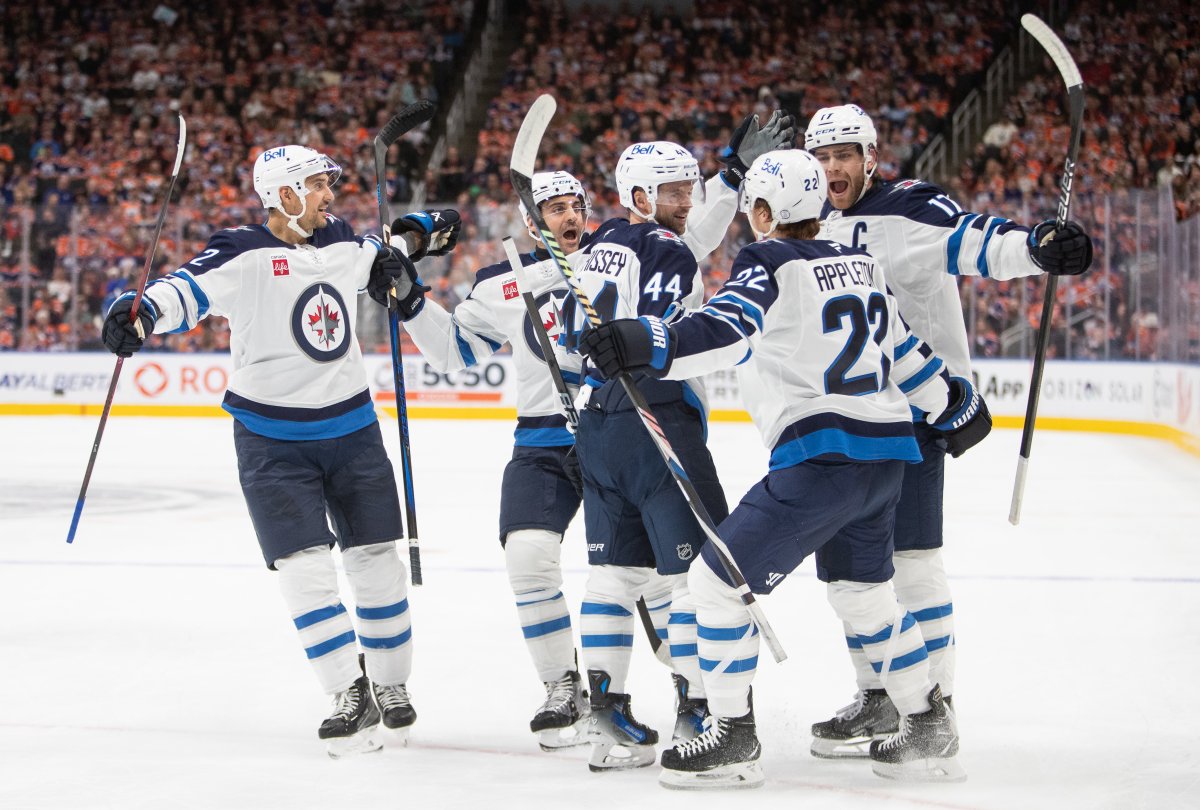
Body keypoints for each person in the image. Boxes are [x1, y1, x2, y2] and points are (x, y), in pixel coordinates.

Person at [577, 149, 992, 788]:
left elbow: (726, 331)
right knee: (866, 595)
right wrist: (953, 404)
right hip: (887, 461)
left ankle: (732, 740)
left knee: (715, 583)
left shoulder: (766, 262)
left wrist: (646, 341)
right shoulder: (861, 264)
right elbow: (904, 353)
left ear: (765, 212)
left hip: (820, 461)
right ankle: (928, 721)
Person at [100, 144, 459, 758]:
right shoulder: (240, 252)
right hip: (271, 441)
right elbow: (181, 291)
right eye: (318, 185)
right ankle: (349, 691)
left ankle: (391, 685)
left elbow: (393, 250)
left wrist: (421, 233)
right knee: (304, 569)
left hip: (352, 430)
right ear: (284, 194)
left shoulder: (342, 239)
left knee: (376, 559)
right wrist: (134, 313)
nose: (329, 195)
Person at [802, 104, 1094, 759]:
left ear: (870, 157)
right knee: (852, 577)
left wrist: (1038, 247)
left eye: (843, 154)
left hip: (912, 414)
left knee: (910, 565)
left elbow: (976, 240)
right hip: (840, 420)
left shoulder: (911, 207)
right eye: (820, 157)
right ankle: (879, 698)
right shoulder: (810, 222)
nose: (831, 168)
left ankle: (933, 706)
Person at [558, 113, 794, 773]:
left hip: (596, 424)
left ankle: (606, 720)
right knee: (697, 577)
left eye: (689, 189)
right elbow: (664, 322)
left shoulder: (598, 241)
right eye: (672, 192)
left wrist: (727, 176)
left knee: (611, 576)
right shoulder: (665, 248)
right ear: (639, 196)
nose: (684, 203)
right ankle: (700, 712)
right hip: (655, 414)